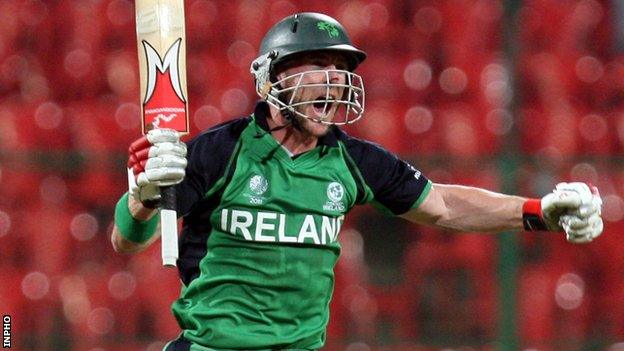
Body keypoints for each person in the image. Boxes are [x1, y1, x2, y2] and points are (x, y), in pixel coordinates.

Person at [111, 12, 604, 351]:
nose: (334, 80)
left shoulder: (352, 161)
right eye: (319, 66)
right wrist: (142, 197)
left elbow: (444, 206)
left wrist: (537, 212)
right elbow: (128, 242)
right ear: (271, 79)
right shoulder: (219, 150)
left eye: (341, 69)